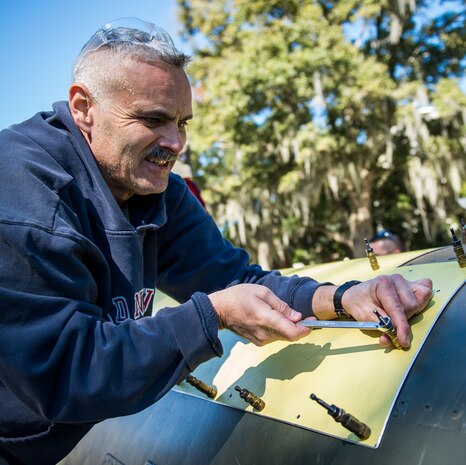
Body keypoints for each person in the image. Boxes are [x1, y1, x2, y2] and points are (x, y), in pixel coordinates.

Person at [0, 18, 432, 465]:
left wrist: (343, 297)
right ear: (83, 107)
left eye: (182, 122)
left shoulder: (156, 189)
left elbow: (234, 277)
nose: (175, 143)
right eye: (153, 119)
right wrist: (213, 314)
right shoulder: (21, 192)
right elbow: (65, 374)